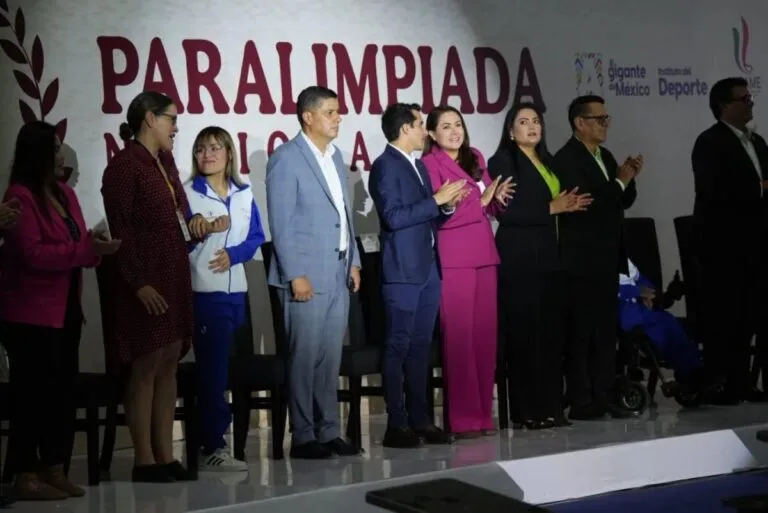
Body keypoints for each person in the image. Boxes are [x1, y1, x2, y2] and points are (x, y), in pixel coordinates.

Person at [101, 91, 227, 482]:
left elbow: (179, 219)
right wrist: (138, 283)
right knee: (146, 365)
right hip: (144, 281)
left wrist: (200, 226)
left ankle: (165, 454)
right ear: (150, 119)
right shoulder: (125, 167)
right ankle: (143, 460)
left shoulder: (165, 163)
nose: (176, 128)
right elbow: (120, 231)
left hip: (172, 274)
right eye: (172, 119)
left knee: (169, 360)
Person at [0, 121, 120, 500]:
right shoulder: (20, 196)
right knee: (31, 396)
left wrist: (94, 246)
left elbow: (79, 242)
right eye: (54, 149)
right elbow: (32, 254)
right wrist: (84, 250)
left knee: (61, 394)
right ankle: (24, 473)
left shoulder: (65, 193)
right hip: (29, 314)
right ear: (36, 153)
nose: (60, 155)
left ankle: (56, 467)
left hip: (66, 307)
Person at [265, 86, 361, 459]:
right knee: (304, 357)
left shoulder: (335, 157)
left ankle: (329, 429)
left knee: (329, 357)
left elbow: (345, 215)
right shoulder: (286, 159)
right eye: (330, 112)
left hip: (338, 269)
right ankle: (304, 435)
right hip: (305, 272)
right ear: (308, 117)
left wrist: (354, 260)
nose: (338, 118)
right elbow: (282, 223)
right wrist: (295, 273)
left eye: (338, 111)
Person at [488, 103, 592, 430]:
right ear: (510, 131)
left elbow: (554, 204)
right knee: (525, 336)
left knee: (550, 336)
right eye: (523, 122)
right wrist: (551, 207)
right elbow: (509, 212)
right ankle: (526, 410)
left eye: (536, 121)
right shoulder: (503, 161)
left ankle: (551, 407)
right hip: (520, 260)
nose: (532, 126)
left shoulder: (547, 161)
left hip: (550, 258)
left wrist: (568, 205)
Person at [368, 103, 466, 448]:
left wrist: (446, 205)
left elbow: (427, 215)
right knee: (398, 345)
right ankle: (396, 424)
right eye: (421, 124)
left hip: (427, 268)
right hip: (402, 270)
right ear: (405, 128)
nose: (426, 131)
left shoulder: (418, 166)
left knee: (421, 346)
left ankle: (421, 420)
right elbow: (393, 217)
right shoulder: (385, 166)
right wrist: (436, 200)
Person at [420, 105, 513, 438]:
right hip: (454, 255)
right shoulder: (429, 164)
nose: (454, 131)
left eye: (458, 124)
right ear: (432, 134)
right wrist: (481, 202)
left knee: (484, 336)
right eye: (445, 126)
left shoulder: (475, 157)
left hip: (484, 253)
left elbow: (491, 205)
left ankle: (483, 415)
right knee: (460, 337)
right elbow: (440, 214)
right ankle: (463, 419)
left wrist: (498, 198)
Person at [554, 95, 641, 420]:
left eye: (606, 118)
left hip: (607, 259)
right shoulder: (566, 159)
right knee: (582, 334)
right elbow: (589, 205)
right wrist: (619, 181)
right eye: (599, 119)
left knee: (605, 332)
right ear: (580, 123)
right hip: (581, 261)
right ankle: (582, 399)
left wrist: (628, 178)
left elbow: (621, 201)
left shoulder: (604, 155)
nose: (605, 125)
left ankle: (604, 394)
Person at [184, 126, 265, 471]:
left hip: (237, 293)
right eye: (201, 149)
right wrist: (200, 232)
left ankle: (223, 440)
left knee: (229, 370)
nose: (207, 155)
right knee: (213, 372)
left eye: (215, 148)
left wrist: (234, 255)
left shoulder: (244, 193)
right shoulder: (187, 194)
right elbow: (179, 241)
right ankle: (213, 445)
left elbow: (256, 236)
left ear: (229, 153)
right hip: (205, 291)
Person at [691, 77, 768, 404]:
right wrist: (758, 189)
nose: (750, 103)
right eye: (743, 99)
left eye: (750, 97)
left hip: (757, 244)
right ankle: (721, 383)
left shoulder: (758, 142)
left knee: (751, 315)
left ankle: (743, 382)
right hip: (725, 247)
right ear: (724, 105)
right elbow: (714, 191)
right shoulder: (709, 142)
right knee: (726, 318)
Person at [618, 259, 708, 389]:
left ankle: (694, 369)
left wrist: (650, 293)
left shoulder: (625, 261)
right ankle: (691, 372)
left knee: (675, 325)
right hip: (625, 311)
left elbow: (640, 278)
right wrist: (640, 292)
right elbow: (608, 288)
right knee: (664, 330)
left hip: (642, 309)